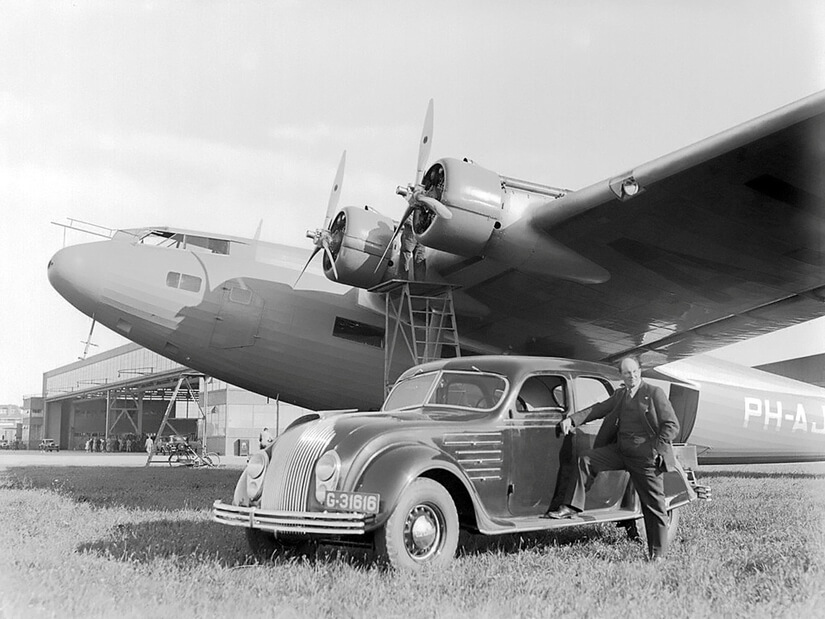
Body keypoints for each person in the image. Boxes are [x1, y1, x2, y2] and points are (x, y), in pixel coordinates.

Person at [543, 355, 680, 561]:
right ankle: (571, 506)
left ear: (640, 372)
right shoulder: (621, 395)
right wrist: (572, 419)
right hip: (620, 452)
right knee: (587, 459)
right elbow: (598, 409)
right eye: (627, 373)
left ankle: (657, 555)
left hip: (645, 458)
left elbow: (672, 425)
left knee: (654, 506)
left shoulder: (653, 393)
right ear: (621, 376)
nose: (632, 376)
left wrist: (654, 450)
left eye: (634, 372)